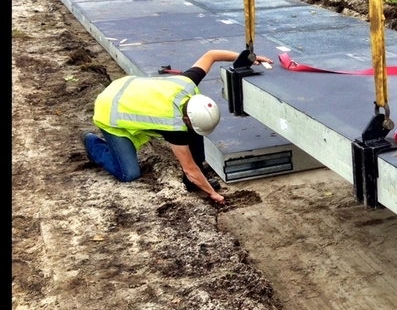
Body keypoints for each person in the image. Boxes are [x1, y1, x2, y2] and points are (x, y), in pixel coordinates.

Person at [82, 49, 273, 203]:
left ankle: (194, 184)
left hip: (130, 89)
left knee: (194, 137)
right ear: (187, 119)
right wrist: (213, 194)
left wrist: (247, 57)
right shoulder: (172, 125)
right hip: (110, 108)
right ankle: (92, 143)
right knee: (128, 173)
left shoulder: (189, 84)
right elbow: (189, 167)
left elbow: (212, 55)